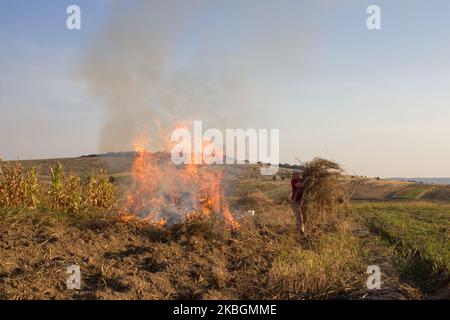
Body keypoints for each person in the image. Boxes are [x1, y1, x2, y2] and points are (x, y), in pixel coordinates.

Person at [291, 170, 309, 236]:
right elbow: (301, 185)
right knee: (299, 218)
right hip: (295, 202)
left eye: (300, 174)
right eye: (298, 174)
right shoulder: (294, 181)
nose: (299, 175)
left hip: (302, 201)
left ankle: (300, 229)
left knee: (305, 217)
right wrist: (306, 180)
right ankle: (300, 233)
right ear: (294, 175)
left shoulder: (300, 180)